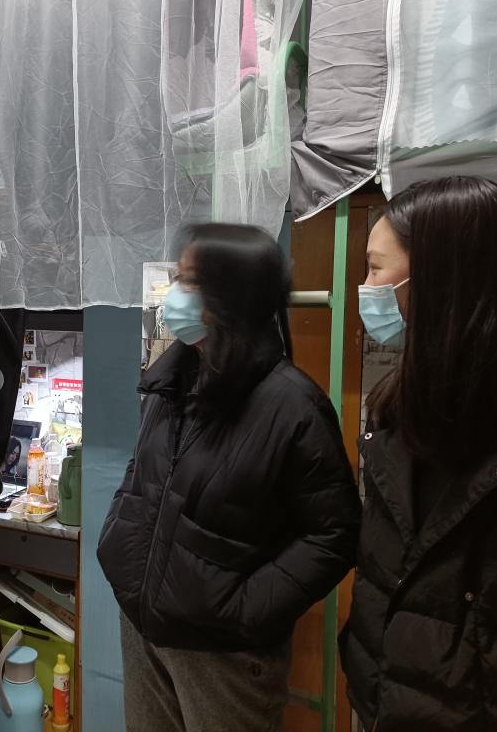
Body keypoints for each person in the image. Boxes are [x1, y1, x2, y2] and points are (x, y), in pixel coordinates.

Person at [97, 223, 361, 732]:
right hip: (145, 629)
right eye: (178, 277)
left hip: (224, 655)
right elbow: (143, 471)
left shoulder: (293, 405)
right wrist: (118, 538)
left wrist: (245, 610)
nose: (175, 293)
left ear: (236, 296)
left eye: (191, 282)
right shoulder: (171, 379)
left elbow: (335, 533)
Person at [340, 176, 497, 731]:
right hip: (385, 704)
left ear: (441, 278)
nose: (365, 289)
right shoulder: (398, 403)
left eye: (375, 268)